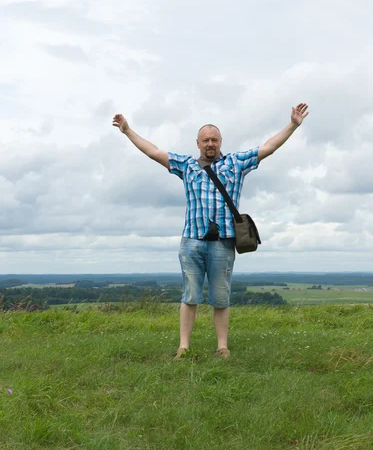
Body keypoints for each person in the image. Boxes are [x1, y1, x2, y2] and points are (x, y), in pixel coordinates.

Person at [112, 104, 309, 358]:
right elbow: (153, 151)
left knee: (221, 297)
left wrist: (292, 124)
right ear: (197, 143)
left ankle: (222, 346)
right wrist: (128, 131)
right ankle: (183, 346)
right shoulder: (186, 166)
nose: (210, 144)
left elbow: (268, 147)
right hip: (192, 241)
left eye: (214, 140)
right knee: (190, 295)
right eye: (206, 140)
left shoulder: (236, 164)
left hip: (223, 243)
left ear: (220, 142)